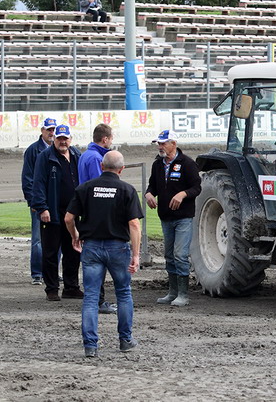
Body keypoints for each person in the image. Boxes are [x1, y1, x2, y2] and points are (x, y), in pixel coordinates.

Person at [65, 151, 143, 358]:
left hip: (91, 247)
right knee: (123, 293)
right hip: (118, 247)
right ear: (121, 169)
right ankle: (125, 339)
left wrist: (75, 236)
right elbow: (134, 224)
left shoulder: (85, 188)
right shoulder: (127, 189)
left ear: (101, 166)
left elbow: (68, 218)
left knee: (90, 297)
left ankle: (91, 345)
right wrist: (136, 255)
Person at [145, 130, 201, 307]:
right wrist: (148, 194)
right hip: (166, 216)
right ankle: (173, 292)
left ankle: (183, 294)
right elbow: (152, 186)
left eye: (163, 143)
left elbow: (197, 187)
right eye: (159, 143)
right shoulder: (157, 164)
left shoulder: (188, 163)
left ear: (173, 144)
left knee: (180, 254)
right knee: (169, 255)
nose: (160, 146)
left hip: (183, 217)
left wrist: (183, 194)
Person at [31, 124, 82, 301]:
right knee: (50, 252)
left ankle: (71, 287)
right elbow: (37, 184)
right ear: (55, 139)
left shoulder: (76, 154)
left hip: (73, 213)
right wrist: (42, 207)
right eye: (59, 138)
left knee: (73, 250)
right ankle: (51, 288)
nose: (62, 141)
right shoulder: (45, 157)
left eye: (65, 138)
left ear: (70, 139)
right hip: (51, 212)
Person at [78, 123, 117, 315]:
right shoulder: (95, 157)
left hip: (87, 213)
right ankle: (98, 300)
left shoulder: (86, 154)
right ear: (105, 139)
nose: (111, 142)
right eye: (111, 139)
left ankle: (94, 299)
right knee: (98, 260)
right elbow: (100, 187)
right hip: (96, 215)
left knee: (92, 259)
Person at [21, 117, 56, 285]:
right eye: (49, 129)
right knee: (38, 239)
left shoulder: (58, 149)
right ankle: (37, 273)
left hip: (55, 202)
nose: (51, 132)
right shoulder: (33, 150)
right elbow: (27, 179)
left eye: (53, 129)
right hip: (39, 201)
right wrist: (33, 202)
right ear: (42, 130)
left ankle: (52, 272)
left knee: (56, 238)